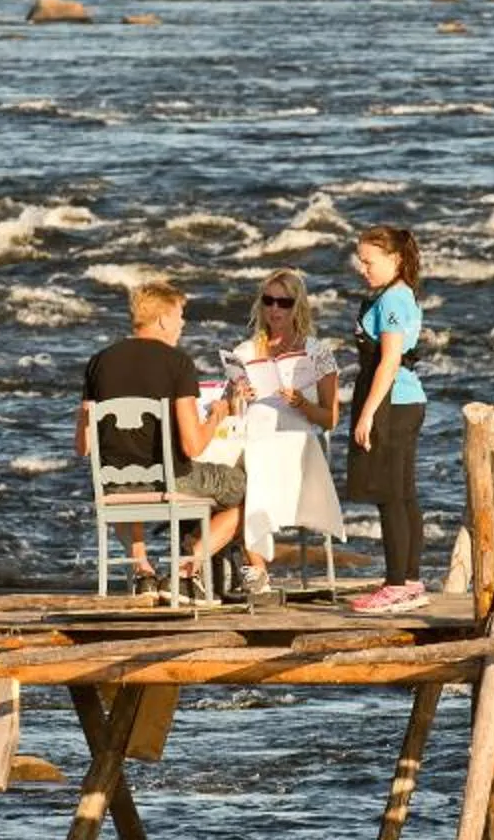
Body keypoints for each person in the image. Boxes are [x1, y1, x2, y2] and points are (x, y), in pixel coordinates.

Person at [77, 281, 247, 601]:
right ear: (163, 319)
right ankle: (187, 569)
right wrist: (217, 415)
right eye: (180, 316)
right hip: (170, 481)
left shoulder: (98, 362)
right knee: (252, 493)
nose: (183, 324)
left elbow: (83, 445)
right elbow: (192, 446)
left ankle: (143, 572)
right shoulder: (177, 363)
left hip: (112, 485)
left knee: (124, 482)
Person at [220, 266, 343, 592]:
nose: (275, 309)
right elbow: (230, 413)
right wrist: (238, 397)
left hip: (296, 437)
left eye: (284, 303)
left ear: (297, 306)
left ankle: (246, 562)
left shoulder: (317, 352)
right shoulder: (245, 351)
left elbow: (331, 419)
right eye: (268, 301)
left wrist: (302, 403)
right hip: (253, 432)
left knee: (254, 459)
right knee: (235, 458)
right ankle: (253, 564)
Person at [343, 225, 428, 612]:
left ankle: (397, 585)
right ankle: (409, 580)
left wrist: (367, 414)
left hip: (393, 404)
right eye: (360, 261)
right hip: (406, 402)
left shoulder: (392, 300)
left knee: (389, 494)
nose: (363, 269)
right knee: (404, 493)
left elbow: (390, 360)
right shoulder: (403, 294)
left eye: (369, 261)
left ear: (394, 259)